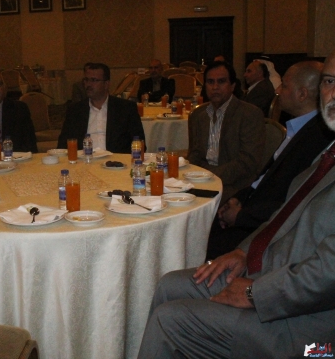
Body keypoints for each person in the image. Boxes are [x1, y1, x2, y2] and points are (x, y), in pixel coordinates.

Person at [137, 50, 335, 359]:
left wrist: (255, 293)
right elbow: (283, 216)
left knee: (169, 320)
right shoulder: (329, 150)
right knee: (168, 286)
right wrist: (244, 252)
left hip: (310, 329)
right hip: (272, 272)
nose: (333, 93)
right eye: (329, 81)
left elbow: (329, 273)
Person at [206, 61, 334, 259]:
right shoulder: (298, 129)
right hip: (250, 209)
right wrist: (239, 198)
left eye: (284, 86)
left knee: (196, 243)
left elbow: (293, 201)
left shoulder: (319, 138)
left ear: (302, 94)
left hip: (263, 231)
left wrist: (241, 216)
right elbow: (265, 178)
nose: (278, 91)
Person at [187, 61, 265, 205]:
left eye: (221, 81)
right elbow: (195, 153)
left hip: (234, 187)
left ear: (233, 86)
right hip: (200, 182)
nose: (215, 87)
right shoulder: (199, 114)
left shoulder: (250, 114)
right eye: (210, 82)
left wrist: (209, 175)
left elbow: (247, 162)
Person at [58, 62, 145, 153]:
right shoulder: (75, 110)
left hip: (116, 159)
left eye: (94, 80)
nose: (88, 84)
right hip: (84, 159)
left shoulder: (126, 108)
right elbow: (63, 145)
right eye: (86, 80)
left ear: (106, 84)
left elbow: (139, 143)